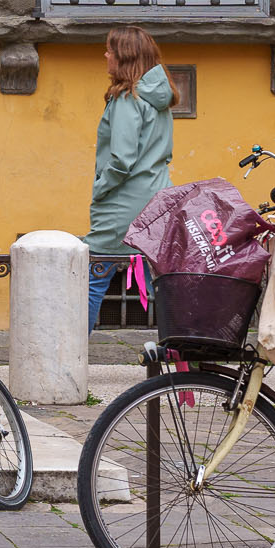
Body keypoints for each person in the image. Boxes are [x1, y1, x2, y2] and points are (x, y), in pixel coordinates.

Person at [85, 27, 176, 326]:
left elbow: (122, 159)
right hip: (158, 200)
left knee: (91, 279)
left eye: (110, 50)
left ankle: (66, 360)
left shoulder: (127, 98)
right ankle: (186, 353)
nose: (105, 55)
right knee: (163, 285)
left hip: (124, 205)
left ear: (124, 57)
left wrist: (100, 189)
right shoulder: (157, 99)